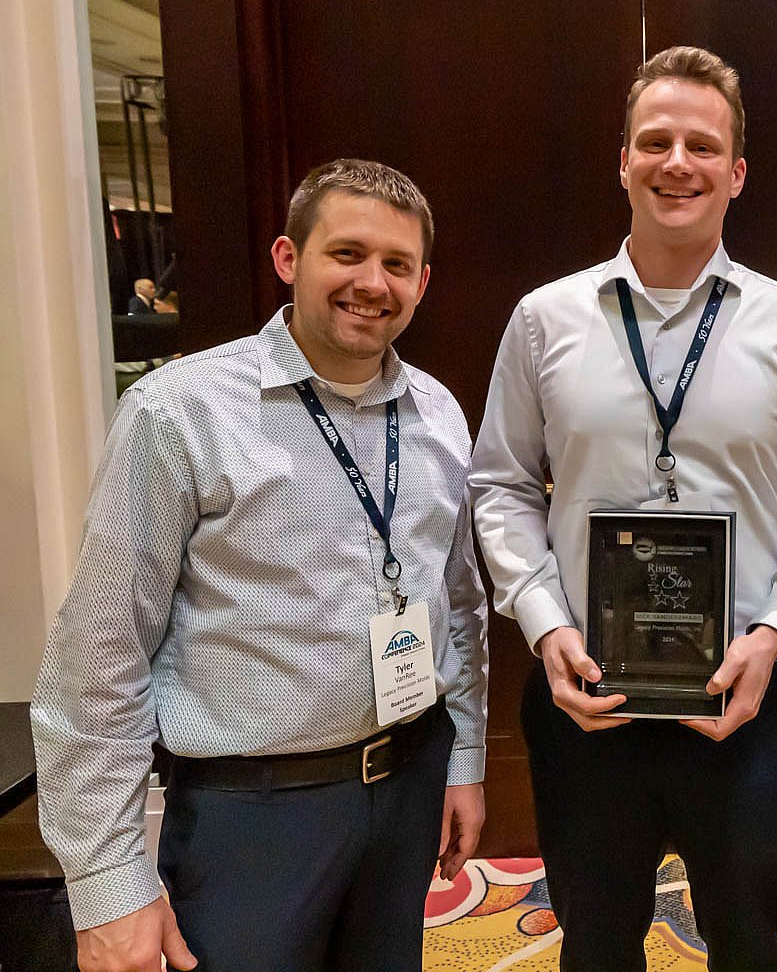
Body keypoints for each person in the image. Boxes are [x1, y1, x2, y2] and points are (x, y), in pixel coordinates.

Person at [469, 46, 777, 971]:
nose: (677, 163)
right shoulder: (544, 319)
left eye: (702, 145)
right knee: (596, 942)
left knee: (746, 938)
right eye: (654, 142)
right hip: (586, 698)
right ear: (623, 162)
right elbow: (500, 485)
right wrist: (542, 623)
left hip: (741, 696)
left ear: (737, 173)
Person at [32, 158, 490, 972]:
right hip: (252, 814)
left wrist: (463, 760)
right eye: (346, 253)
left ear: (422, 282)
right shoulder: (180, 414)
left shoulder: (439, 414)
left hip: (406, 783)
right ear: (289, 258)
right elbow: (99, 656)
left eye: (397, 264)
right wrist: (107, 881)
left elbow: (458, 605)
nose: (372, 283)